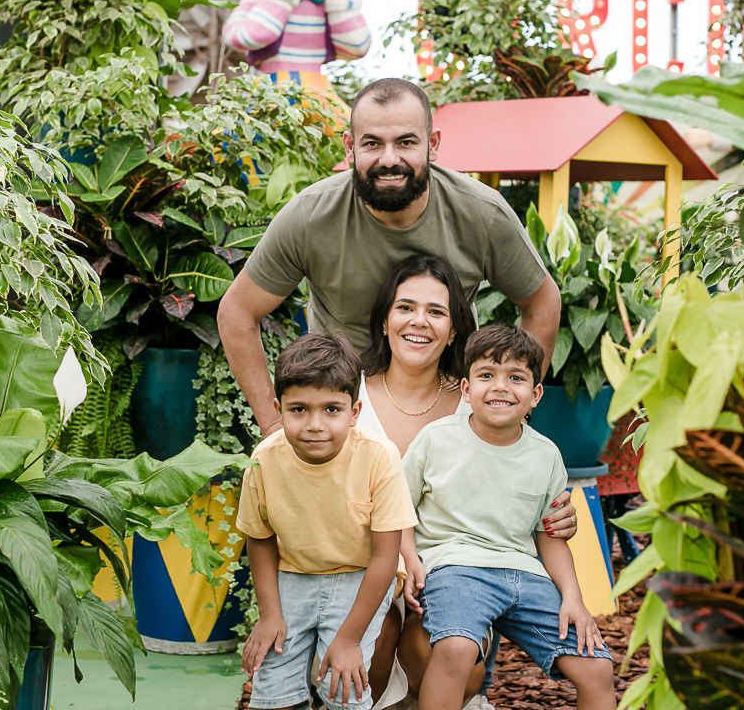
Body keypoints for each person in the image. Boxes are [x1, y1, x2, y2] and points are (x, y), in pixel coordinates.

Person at [217, 77, 563, 441]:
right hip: (342, 408)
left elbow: (540, 301)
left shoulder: (481, 213)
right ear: (350, 147)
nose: (389, 159)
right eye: (372, 143)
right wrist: (273, 426)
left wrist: (514, 415)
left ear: (432, 145)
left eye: (406, 142)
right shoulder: (310, 216)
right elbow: (238, 312)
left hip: (450, 406)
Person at [356, 255, 578, 710]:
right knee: (377, 630)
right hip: (357, 565)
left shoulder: (480, 404)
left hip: (443, 572)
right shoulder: (344, 396)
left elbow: (520, 497)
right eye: (405, 307)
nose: (420, 321)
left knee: (449, 653)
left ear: (455, 329)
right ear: (384, 319)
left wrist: (554, 521)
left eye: (436, 312)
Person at [401, 326, 616, 710]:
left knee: (597, 668)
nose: (500, 387)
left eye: (515, 378)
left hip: (525, 574)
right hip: (455, 568)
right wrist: (410, 560)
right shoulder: (435, 440)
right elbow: (398, 510)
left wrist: (573, 598)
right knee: (456, 647)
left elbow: (550, 536)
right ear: (466, 390)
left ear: (535, 395)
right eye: (486, 376)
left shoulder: (546, 455)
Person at [237, 332, 418, 710]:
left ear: (354, 412)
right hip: (294, 576)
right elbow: (260, 537)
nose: (315, 424)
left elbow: (386, 558)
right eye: (299, 409)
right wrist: (270, 615)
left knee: (343, 686)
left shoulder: (379, 457)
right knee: (273, 691)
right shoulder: (264, 459)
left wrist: (349, 640)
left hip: (361, 575)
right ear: (278, 408)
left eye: (331, 409)